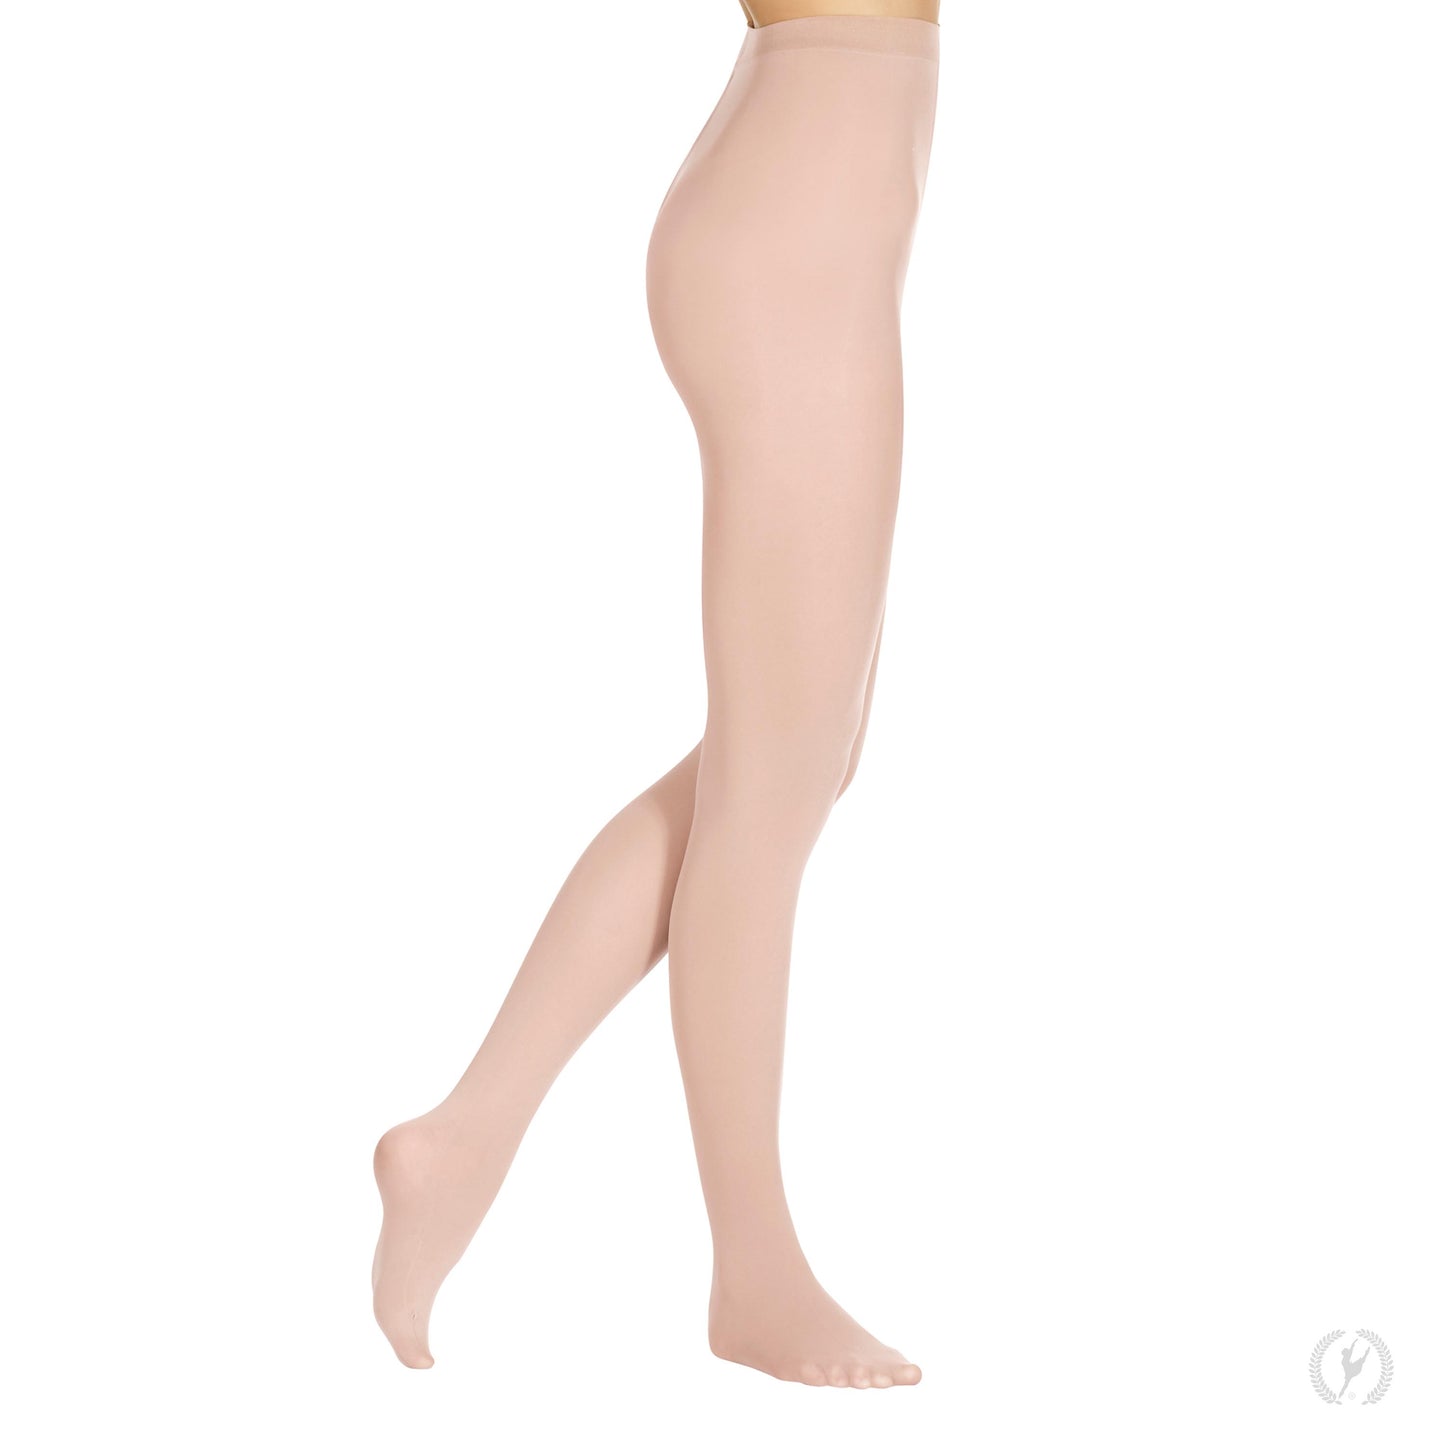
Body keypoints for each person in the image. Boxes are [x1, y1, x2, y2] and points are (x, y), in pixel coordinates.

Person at [371, 0, 942, 1389]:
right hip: (797, 239)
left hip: (795, 209)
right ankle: (754, 1270)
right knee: (775, 784)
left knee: (789, 761)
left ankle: (461, 1138)